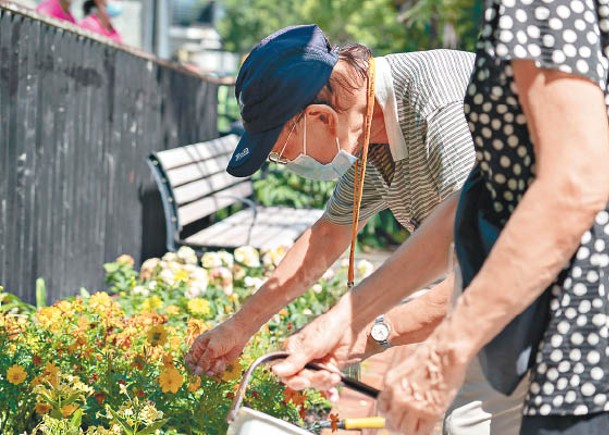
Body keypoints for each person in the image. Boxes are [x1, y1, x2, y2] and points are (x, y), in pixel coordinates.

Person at [275, 2, 609, 434]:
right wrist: (342, 323)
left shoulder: (536, 7)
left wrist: (443, 352)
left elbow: (572, 185)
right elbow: (475, 201)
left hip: (579, 323)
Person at [185, 25, 528, 434]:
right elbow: (328, 235)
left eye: (279, 151)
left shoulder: (441, 111)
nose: (286, 161)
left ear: (319, 117)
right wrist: (239, 327)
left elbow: (496, 268)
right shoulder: (370, 130)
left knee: (468, 423)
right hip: (500, 298)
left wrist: (369, 332)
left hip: (558, 292)